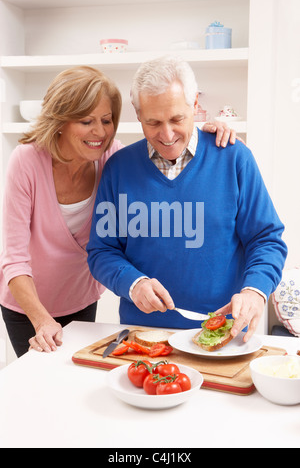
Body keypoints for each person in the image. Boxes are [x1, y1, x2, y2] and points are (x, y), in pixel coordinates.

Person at [0, 65, 234, 357]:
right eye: (86, 121)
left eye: (106, 120)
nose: (99, 132)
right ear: (60, 121)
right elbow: (13, 260)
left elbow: (161, 147)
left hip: (80, 299)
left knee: (74, 381)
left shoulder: (111, 158)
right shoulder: (26, 161)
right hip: (27, 306)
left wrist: (208, 132)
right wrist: (41, 319)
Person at [87, 56, 288, 342]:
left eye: (177, 119)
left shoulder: (233, 157)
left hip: (223, 336)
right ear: (138, 113)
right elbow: (102, 251)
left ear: (195, 105)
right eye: (153, 122)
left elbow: (266, 239)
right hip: (145, 337)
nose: (166, 134)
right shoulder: (118, 169)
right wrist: (133, 283)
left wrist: (255, 291)